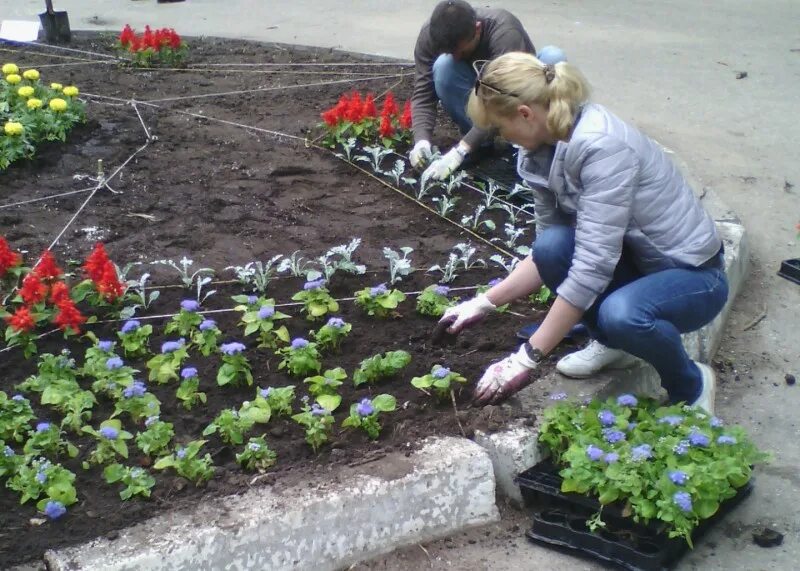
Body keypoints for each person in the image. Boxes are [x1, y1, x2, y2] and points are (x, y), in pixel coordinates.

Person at [438, 52, 728, 414]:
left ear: (525, 114)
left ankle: (691, 383)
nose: (501, 137)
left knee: (623, 314)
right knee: (552, 247)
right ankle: (612, 344)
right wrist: (483, 302)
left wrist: (526, 358)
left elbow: (592, 266)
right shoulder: (536, 151)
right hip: (638, 264)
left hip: (693, 276)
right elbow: (549, 253)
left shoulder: (602, 146)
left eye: (499, 127)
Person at [408, 0, 564, 181]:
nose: (457, 58)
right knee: (444, 67)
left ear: (478, 28)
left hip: (517, 93)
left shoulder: (505, 33)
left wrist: (460, 150)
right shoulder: (432, 35)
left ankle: (542, 145)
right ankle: (482, 145)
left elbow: (501, 101)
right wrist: (421, 141)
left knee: (554, 58)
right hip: (477, 88)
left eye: (462, 51)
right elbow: (423, 94)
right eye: (450, 52)